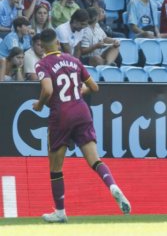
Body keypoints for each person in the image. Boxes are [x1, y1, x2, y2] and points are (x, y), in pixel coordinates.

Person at [32, 29, 131, 223]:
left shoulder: (42, 63)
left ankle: (60, 211)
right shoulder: (74, 61)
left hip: (61, 115)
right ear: (58, 44)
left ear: (42, 47)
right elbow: (94, 87)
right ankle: (112, 185)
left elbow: (48, 88)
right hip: (81, 110)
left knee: (55, 167)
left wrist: (40, 104)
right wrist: (78, 90)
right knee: (95, 160)